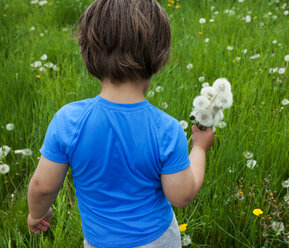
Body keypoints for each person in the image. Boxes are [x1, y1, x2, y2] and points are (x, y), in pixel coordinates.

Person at [26, 0, 214, 247]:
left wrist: (37, 214)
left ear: (88, 52)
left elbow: (42, 186)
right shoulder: (166, 130)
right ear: (159, 56)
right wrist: (199, 148)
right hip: (157, 241)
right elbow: (181, 196)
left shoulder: (68, 120)